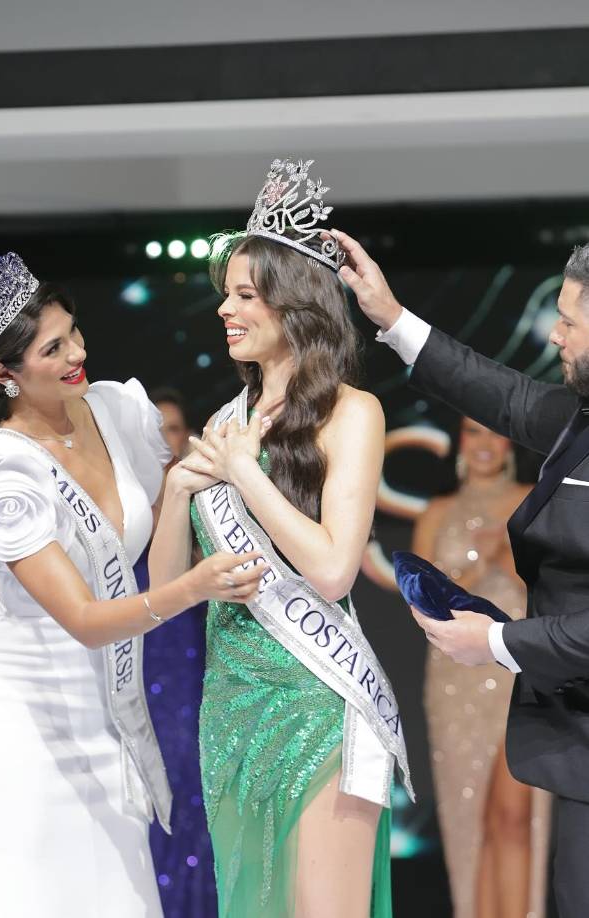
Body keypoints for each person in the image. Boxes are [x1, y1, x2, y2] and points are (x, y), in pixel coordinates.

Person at [0, 252, 266, 917]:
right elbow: (87, 619)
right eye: (52, 348)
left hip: (107, 715)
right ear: (5, 374)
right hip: (23, 717)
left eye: (74, 333)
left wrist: (179, 489)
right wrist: (196, 588)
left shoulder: (116, 411)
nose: (77, 354)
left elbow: (156, 557)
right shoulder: (5, 481)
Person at [151, 158, 412, 918]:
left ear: (293, 306)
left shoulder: (352, 413)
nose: (225, 311)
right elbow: (168, 594)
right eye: (224, 296)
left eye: (243, 295)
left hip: (315, 700)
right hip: (230, 705)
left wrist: (247, 475)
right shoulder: (226, 424)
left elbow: (333, 571)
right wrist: (175, 494)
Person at [336, 229, 589, 918]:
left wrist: (498, 645)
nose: (556, 335)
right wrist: (389, 315)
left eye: (570, 320)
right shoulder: (580, 419)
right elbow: (502, 395)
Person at [415, 417, 550, 917]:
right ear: (460, 442)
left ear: (510, 442)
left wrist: (511, 559)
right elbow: (425, 605)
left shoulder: (535, 499)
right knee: (470, 817)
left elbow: (554, 585)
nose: (485, 443)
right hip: (456, 682)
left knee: (515, 815)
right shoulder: (439, 511)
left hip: (521, 668)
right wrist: (482, 562)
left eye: (494, 431)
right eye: (474, 432)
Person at [139, 387, 216, 917]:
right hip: (135, 661)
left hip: (194, 661)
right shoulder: (119, 503)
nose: (166, 441)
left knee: (192, 784)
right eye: (155, 429)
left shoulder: (207, 500)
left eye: (173, 429)